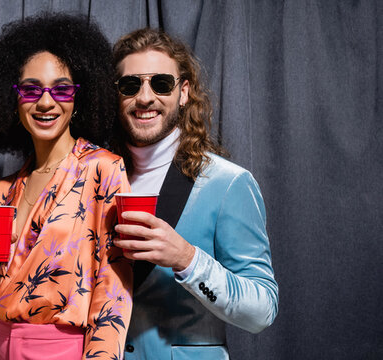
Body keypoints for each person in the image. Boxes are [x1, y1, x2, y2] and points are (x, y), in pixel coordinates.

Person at [0, 13, 133, 359]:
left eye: (61, 89)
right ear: (13, 100)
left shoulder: (102, 170)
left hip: (61, 349)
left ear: (78, 99)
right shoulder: (3, 190)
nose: (46, 102)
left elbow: (114, 286)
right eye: (31, 89)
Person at [110, 28, 279, 360]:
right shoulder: (96, 177)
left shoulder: (227, 183)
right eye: (131, 85)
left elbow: (262, 310)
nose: (145, 97)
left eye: (160, 84)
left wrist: (187, 259)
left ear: (183, 92)